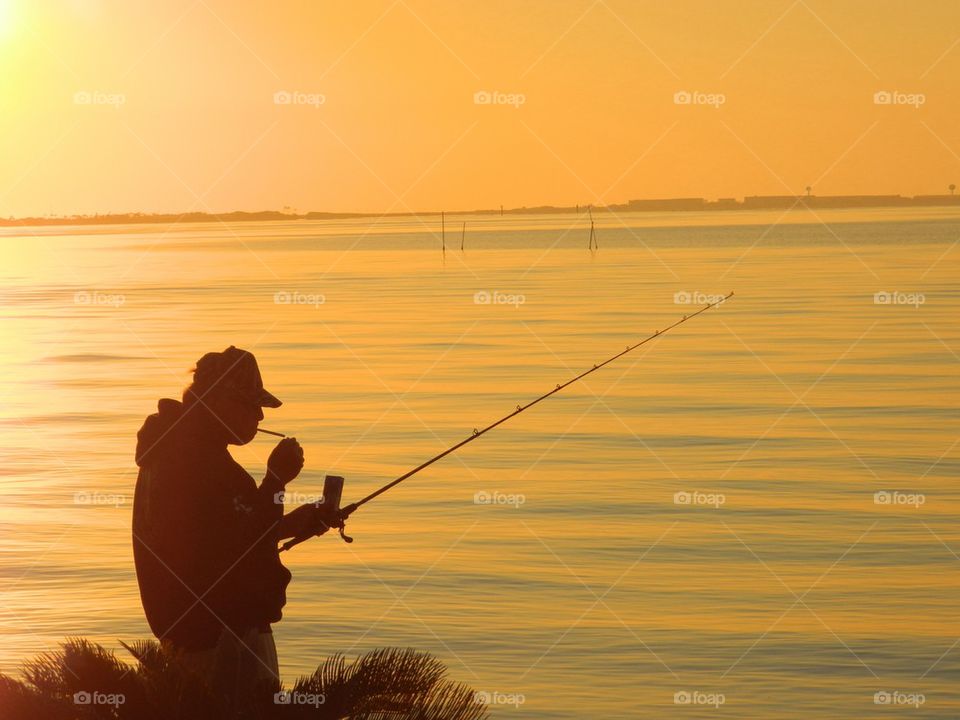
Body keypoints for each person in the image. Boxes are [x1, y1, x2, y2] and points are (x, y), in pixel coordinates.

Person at [132, 346, 335, 711]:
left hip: (195, 634)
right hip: (221, 637)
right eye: (249, 405)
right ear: (218, 401)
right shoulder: (196, 462)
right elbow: (238, 545)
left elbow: (221, 538)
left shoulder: (176, 451)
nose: (258, 415)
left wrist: (291, 524)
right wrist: (275, 480)